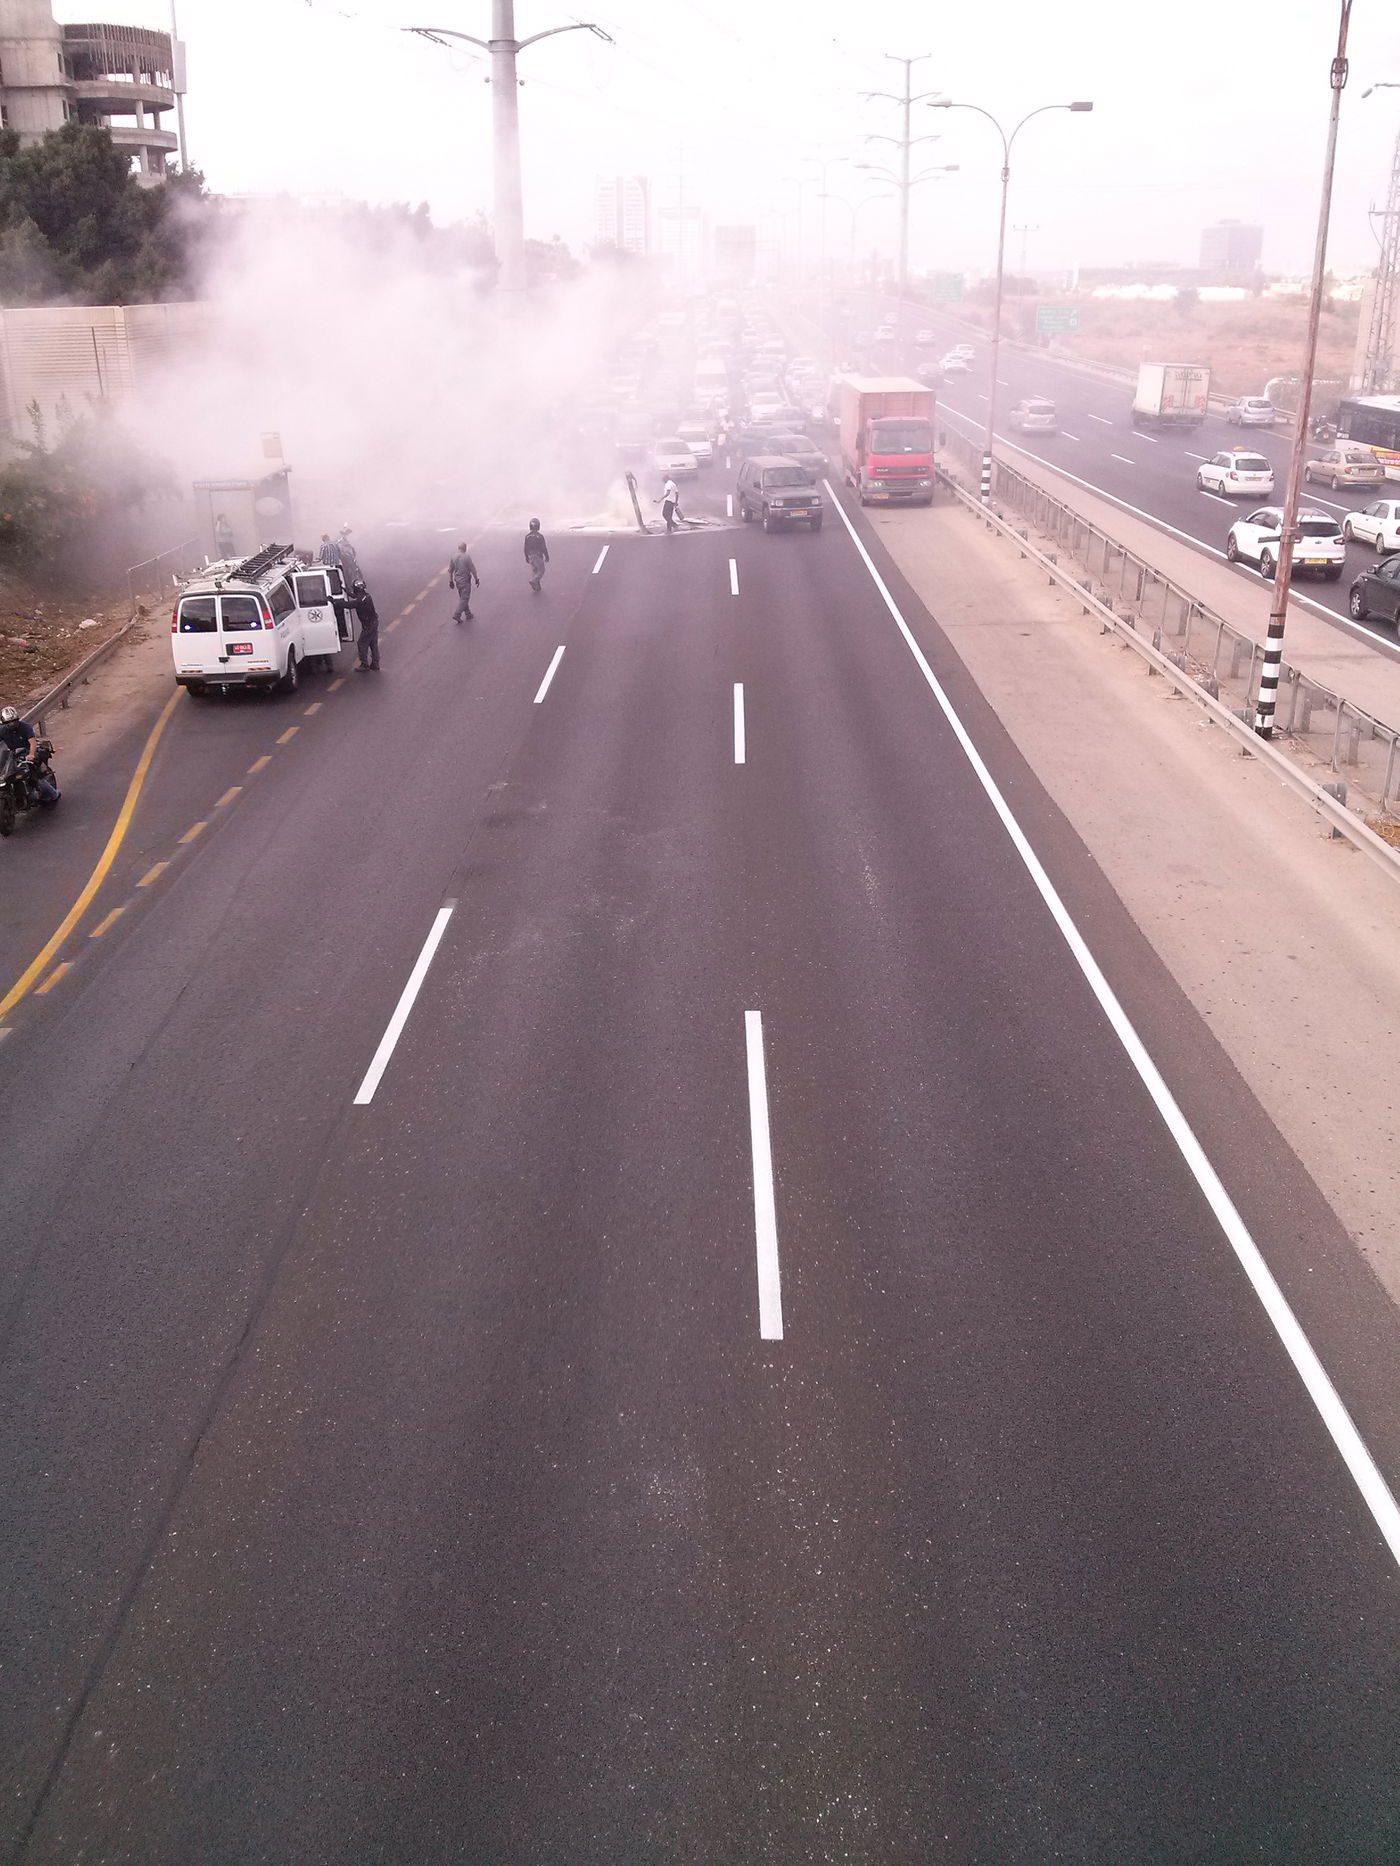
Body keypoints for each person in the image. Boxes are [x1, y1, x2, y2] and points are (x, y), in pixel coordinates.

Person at [0, 705, 58, 800]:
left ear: (17, 719)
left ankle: (54, 793)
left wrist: (31, 754)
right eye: (8, 722)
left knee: (34, 778)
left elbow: (32, 741)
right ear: (4, 722)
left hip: (26, 753)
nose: (11, 723)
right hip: (12, 755)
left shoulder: (25, 727)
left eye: (13, 721)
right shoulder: (2, 730)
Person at [351, 580, 381, 671]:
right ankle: (375, 664)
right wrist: (345, 591)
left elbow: (348, 604)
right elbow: (356, 597)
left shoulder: (360, 600)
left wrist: (334, 602)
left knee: (362, 643)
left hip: (368, 625)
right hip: (373, 622)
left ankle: (364, 665)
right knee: (373, 644)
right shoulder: (367, 596)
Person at [449, 542, 480, 622]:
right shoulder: (466, 557)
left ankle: (468, 613)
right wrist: (476, 578)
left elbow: (450, 570)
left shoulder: (453, 557)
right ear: (465, 548)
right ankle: (457, 614)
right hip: (465, 580)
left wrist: (451, 581)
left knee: (463, 597)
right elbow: (472, 568)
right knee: (464, 598)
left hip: (457, 581)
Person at [524, 518, 549, 592]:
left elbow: (525, 547)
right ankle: (534, 581)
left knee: (535, 570)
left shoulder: (527, 536)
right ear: (538, 526)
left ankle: (537, 586)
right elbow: (543, 547)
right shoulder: (540, 536)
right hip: (538, 555)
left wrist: (526, 557)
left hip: (530, 555)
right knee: (541, 570)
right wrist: (547, 556)